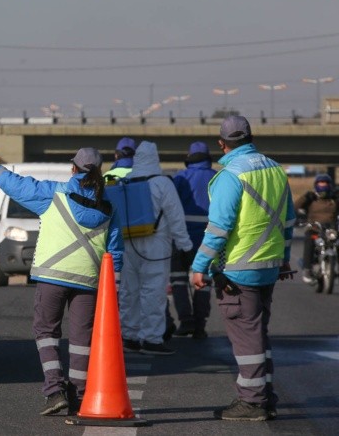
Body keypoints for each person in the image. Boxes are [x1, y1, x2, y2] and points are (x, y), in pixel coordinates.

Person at [0, 146, 123, 416]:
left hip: (53, 276)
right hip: (90, 281)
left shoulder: (53, 194)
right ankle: (80, 395)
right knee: (82, 340)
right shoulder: (110, 205)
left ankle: (55, 391)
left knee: (46, 333)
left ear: (73, 169)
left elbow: (18, 186)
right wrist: (113, 288)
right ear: (100, 171)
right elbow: (115, 252)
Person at [192, 115, 296, 421]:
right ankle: (266, 397)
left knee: (246, 336)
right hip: (269, 266)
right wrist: (285, 255)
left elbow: (219, 228)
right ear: (251, 138)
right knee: (259, 334)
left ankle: (252, 401)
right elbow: (289, 219)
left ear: (222, 144)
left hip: (238, 270)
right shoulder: (275, 170)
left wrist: (200, 266)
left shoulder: (230, 175)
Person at [118, 141, 192, 356]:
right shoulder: (162, 183)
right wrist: (185, 246)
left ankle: (129, 336)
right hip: (156, 246)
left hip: (128, 242)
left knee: (129, 291)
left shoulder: (126, 181)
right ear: (155, 158)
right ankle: (151, 339)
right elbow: (175, 217)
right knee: (154, 291)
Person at [169, 141, 217, 340]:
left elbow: (170, 206)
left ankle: (186, 320)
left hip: (182, 238)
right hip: (209, 239)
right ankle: (200, 325)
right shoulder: (217, 178)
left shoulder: (181, 177)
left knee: (179, 279)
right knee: (203, 281)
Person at [294, 174, 338, 283]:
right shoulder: (311, 198)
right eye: (320, 183)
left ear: (329, 185)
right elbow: (295, 207)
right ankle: (307, 269)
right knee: (309, 240)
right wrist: (305, 198)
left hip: (331, 229)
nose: (322, 186)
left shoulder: (334, 199)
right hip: (314, 228)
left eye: (325, 183)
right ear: (316, 185)